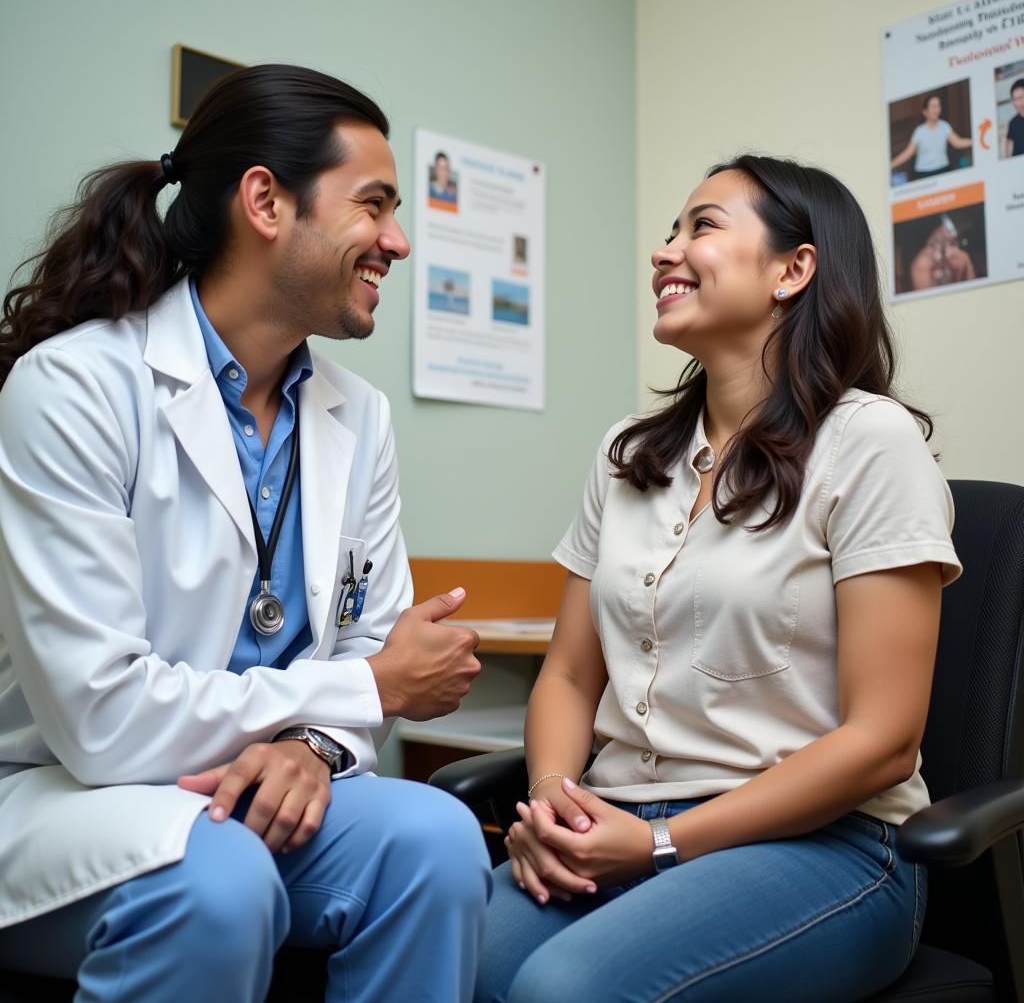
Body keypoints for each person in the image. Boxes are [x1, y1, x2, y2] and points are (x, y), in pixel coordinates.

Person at [0, 64, 491, 1002]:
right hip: (67, 795)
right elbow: (101, 719)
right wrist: (362, 687)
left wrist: (308, 748)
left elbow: (369, 646)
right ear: (266, 201)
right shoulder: (74, 390)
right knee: (219, 884)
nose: (400, 239)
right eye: (375, 205)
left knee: (434, 840)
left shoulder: (359, 415)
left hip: (259, 789)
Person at [475, 155, 961, 1003]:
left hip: (827, 845)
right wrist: (556, 800)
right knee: (440, 959)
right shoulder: (631, 453)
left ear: (793, 269)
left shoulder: (869, 443)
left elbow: (883, 738)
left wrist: (664, 846)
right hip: (621, 817)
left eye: (701, 226)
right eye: (669, 231)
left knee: (565, 989)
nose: (666, 251)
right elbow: (569, 674)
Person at [890, 93, 972, 181]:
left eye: (938, 106)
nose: (937, 109)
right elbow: (908, 153)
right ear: (925, 112)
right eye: (933, 106)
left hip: (943, 169)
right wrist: (890, 165)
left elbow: (957, 142)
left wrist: (976, 141)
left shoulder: (944, 125)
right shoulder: (919, 131)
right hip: (923, 173)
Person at [1003, 78, 1024, 157]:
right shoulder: (1012, 123)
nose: (1018, 103)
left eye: (1021, 98)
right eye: (1015, 99)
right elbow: (1008, 154)